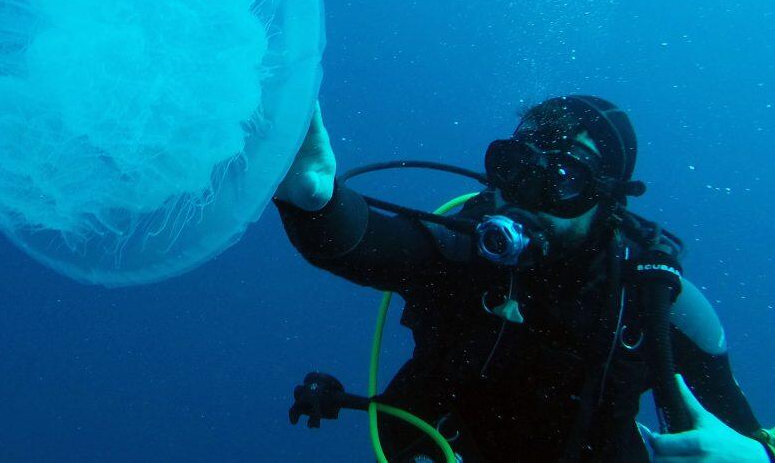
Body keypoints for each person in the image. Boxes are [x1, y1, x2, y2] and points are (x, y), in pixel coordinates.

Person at [275, 95, 773, 462]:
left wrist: (757, 459)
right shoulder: (467, 248)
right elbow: (366, 244)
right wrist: (314, 200)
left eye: (563, 181)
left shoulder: (654, 298)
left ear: (609, 200)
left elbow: (739, 430)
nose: (531, 199)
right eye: (518, 171)